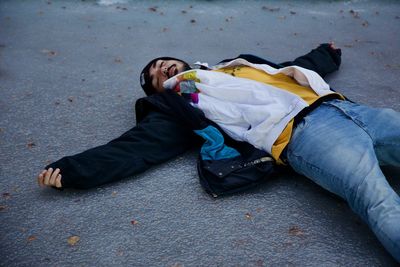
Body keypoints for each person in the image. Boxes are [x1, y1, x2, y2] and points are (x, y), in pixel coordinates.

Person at [37, 43, 400, 262]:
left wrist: (326, 54)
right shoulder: (181, 103)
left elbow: (286, 70)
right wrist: (73, 170)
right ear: (156, 90)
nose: (160, 67)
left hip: (345, 108)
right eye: (154, 74)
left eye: (162, 62)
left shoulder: (230, 66)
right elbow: (134, 148)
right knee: (377, 199)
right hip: (305, 135)